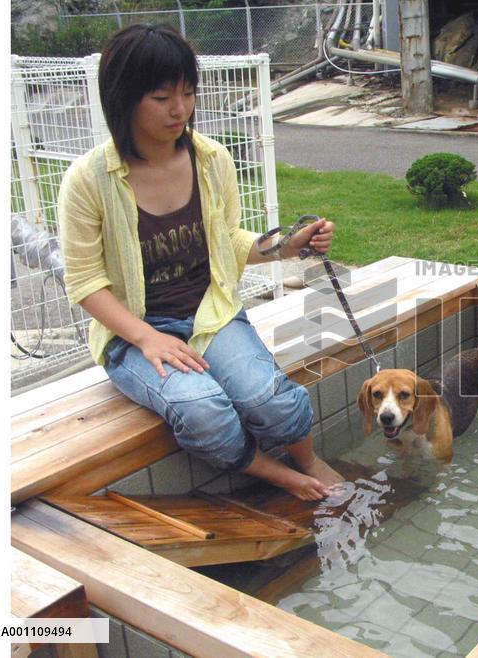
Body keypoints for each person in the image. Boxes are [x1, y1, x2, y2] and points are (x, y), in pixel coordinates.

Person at [58, 24, 342, 500]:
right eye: (162, 96)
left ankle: (308, 457)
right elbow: (85, 282)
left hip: (209, 313)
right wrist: (147, 338)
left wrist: (289, 246)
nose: (180, 109)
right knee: (204, 410)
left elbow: (227, 241)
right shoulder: (89, 180)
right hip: (135, 333)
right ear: (124, 97)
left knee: (268, 399)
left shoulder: (211, 159)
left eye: (188, 93)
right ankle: (274, 472)